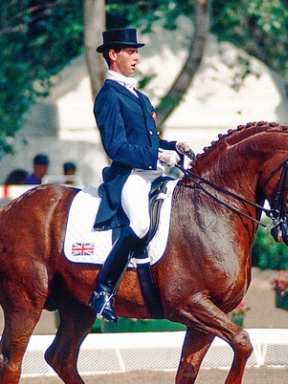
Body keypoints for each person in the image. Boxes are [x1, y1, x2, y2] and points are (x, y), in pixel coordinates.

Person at [88, 28, 194, 322]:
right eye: (130, 52)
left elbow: (149, 141)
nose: (136, 57)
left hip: (151, 173)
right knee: (141, 222)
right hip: (128, 176)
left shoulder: (140, 96)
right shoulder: (109, 96)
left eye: (136, 52)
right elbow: (116, 147)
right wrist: (158, 155)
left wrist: (173, 146)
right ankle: (103, 289)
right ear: (113, 54)